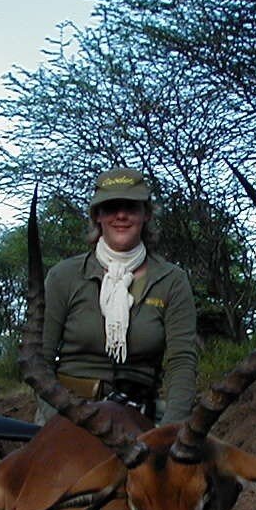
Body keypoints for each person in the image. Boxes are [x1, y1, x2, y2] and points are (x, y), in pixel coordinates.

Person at [37, 167, 197, 426]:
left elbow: (182, 362)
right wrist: (56, 420)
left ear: (146, 214)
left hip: (139, 416)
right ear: (97, 215)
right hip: (66, 413)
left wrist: (170, 431)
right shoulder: (63, 276)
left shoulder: (172, 280)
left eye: (131, 207)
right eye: (111, 207)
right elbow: (39, 360)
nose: (121, 215)